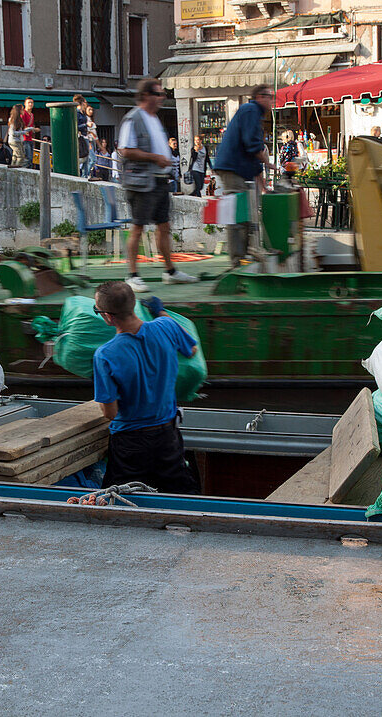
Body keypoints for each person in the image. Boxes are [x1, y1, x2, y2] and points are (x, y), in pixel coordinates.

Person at [91, 282, 200, 494]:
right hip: (168, 436)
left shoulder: (105, 355)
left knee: (117, 497)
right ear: (133, 305)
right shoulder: (166, 327)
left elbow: (110, 413)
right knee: (181, 494)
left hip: (130, 444)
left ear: (108, 317)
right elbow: (192, 349)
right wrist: (160, 311)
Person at [116, 78, 199, 291]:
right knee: (137, 227)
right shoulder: (133, 118)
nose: (162, 98)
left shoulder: (153, 118)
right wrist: (155, 158)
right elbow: (125, 150)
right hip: (142, 183)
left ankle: (170, 271)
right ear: (146, 96)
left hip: (159, 180)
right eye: (158, 94)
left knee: (164, 226)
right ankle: (132, 275)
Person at [211, 84, 277, 267]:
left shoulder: (254, 114)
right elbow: (252, 145)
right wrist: (268, 162)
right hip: (232, 168)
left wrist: (262, 183)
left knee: (247, 211)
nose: (271, 101)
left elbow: (252, 154)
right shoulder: (250, 110)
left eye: (273, 97)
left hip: (238, 167)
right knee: (238, 214)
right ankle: (236, 260)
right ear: (258, 97)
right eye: (268, 96)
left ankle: (247, 252)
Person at [74, 94, 91, 177]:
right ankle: (83, 175)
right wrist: (86, 125)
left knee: (86, 158)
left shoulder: (82, 113)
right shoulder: (77, 113)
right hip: (81, 137)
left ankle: (85, 175)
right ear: (82, 103)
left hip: (85, 136)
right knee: (84, 157)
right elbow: (75, 126)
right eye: (85, 102)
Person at [21, 96, 38, 168]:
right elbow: (21, 125)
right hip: (24, 138)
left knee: (30, 159)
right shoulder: (23, 113)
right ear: (25, 104)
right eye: (29, 103)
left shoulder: (32, 115)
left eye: (32, 103)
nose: (30, 104)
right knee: (28, 159)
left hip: (30, 138)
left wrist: (33, 129)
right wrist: (31, 129)